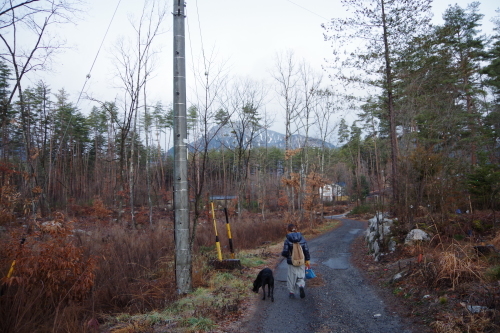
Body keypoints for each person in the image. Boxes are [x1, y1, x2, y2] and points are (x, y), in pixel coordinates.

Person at [281, 223, 310, 299]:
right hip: (301, 261)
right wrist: (307, 260)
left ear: (288, 230)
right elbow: (306, 250)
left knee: (291, 277)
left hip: (292, 262)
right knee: (301, 275)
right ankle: (300, 285)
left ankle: (291, 292)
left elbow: (285, 252)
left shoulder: (287, 240)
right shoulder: (302, 239)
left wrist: (287, 256)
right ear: (296, 229)